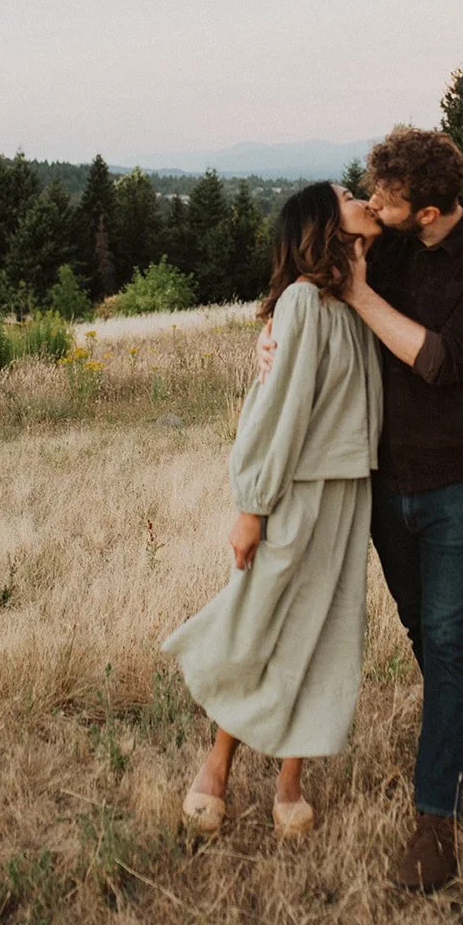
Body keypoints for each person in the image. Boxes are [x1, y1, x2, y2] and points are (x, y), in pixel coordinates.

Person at [261, 127, 463, 890]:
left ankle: (433, 822)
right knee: (424, 633)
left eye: (389, 196)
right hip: (384, 485)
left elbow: (440, 361)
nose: (373, 203)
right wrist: (274, 335)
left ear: (434, 207)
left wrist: (362, 295)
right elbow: (316, 278)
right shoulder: (392, 247)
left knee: (448, 643)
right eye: (372, 190)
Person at [162, 182, 383, 837]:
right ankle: (218, 764)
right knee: (262, 621)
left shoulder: (363, 298)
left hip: (350, 495)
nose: (364, 196)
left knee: (326, 634)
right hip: (299, 492)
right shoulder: (301, 303)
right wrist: (252, 506)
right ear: (320, 222)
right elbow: (277, 411)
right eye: (348, 195)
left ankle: (291, 779)